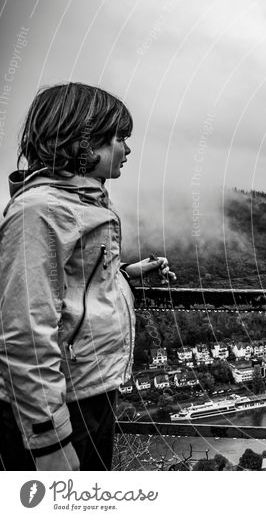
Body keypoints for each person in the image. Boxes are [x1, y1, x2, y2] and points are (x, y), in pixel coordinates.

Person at [0, 82, 176, 471]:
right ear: (83, 143)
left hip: (90, 389)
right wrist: (49, 443)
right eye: (119, 138)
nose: (127, 150)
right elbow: (24, 333)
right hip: (60, 403)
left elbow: (73, 290)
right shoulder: (39, 213)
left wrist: (125, 275)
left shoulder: (82, 203)